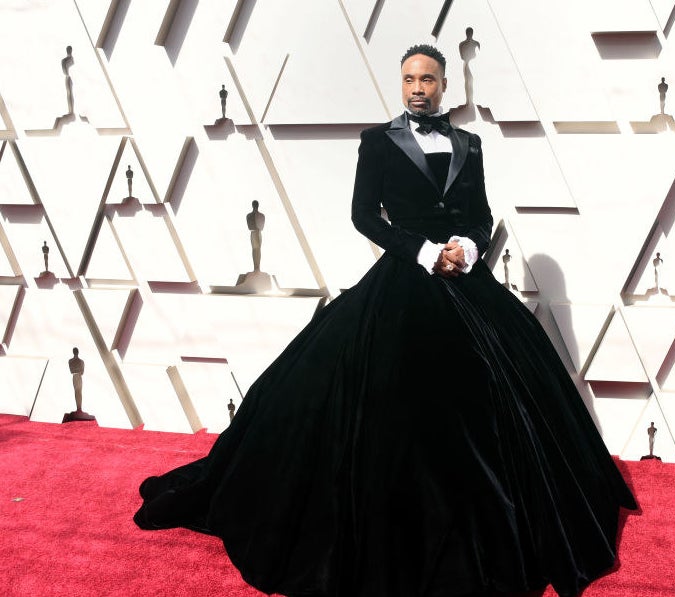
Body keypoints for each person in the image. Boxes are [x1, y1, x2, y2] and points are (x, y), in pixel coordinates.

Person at [134, 43, 636, 597]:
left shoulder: (469, 143)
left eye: (427, 79)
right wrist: (423, 252)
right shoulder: (377, 142)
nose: (418, 87)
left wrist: (466, 249)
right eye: (408, 79)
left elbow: (481, 213)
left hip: (466, 276)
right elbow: (362, 215)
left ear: (445, 85)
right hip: (404, 276)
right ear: (401, 84)